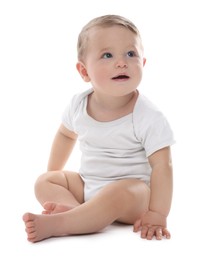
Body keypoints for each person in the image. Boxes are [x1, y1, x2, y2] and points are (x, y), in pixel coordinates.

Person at [22, 14, 175, 243]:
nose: (121, 62)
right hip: (88, 186)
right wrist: (55, 174)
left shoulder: (147, 115)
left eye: (130, 54)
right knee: (44, 181)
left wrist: (158, 213)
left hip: (133, 196)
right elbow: (65, 135)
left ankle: (63, 223)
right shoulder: (78, 105)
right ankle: (77, 212)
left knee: (121, 191)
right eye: (107, 55)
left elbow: (163, 165)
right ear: (84, 72)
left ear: (143, 63)